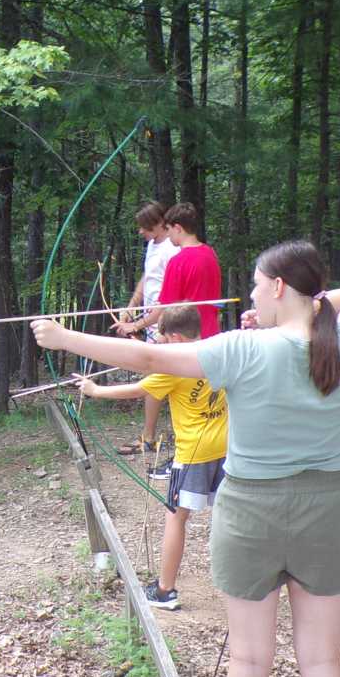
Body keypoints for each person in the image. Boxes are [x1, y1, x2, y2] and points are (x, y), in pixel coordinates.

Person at [31, 239, 340, 677]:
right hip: (328, 507)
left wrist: (66, 340)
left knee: (249, 656)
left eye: (256, 284)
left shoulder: (242, 349)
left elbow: (146, 361)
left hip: (251, 512)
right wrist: (308, 307)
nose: (248, 295)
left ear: (275, 288)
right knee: (321, 659)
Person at [77, 305, 225, 611]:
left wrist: (94, 390)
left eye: (162, 336)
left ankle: (165, 590)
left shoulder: (174, 367)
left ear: (174, 336)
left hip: (194, 454)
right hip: (227, 449)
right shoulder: (219, 349)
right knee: (233, 515)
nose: (159, 342)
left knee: (175, 518)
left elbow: (136, 390)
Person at [118, 202, 222, 478]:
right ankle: (207, 456)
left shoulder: (178, 260)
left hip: (184, 340)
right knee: (204, 402)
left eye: (172, 231)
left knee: (184, 402)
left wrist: (135, 326)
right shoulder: (209, 254)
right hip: (209, 336)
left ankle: (182, 461)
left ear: (177, 228)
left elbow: (164, 308)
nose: (171, 239)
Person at [114, 203, 176, 460]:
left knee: (168, 378)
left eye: (145, 226)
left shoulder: (173, 250)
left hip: (167, 322)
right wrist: (131, 307)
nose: (140, 232)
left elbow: (170, 297)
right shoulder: (153, 245)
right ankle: (149, 437)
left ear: (160, 223)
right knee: (155, 378)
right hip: (151, 320)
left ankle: (161, 438)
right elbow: (146, 278)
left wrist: (137, 325)